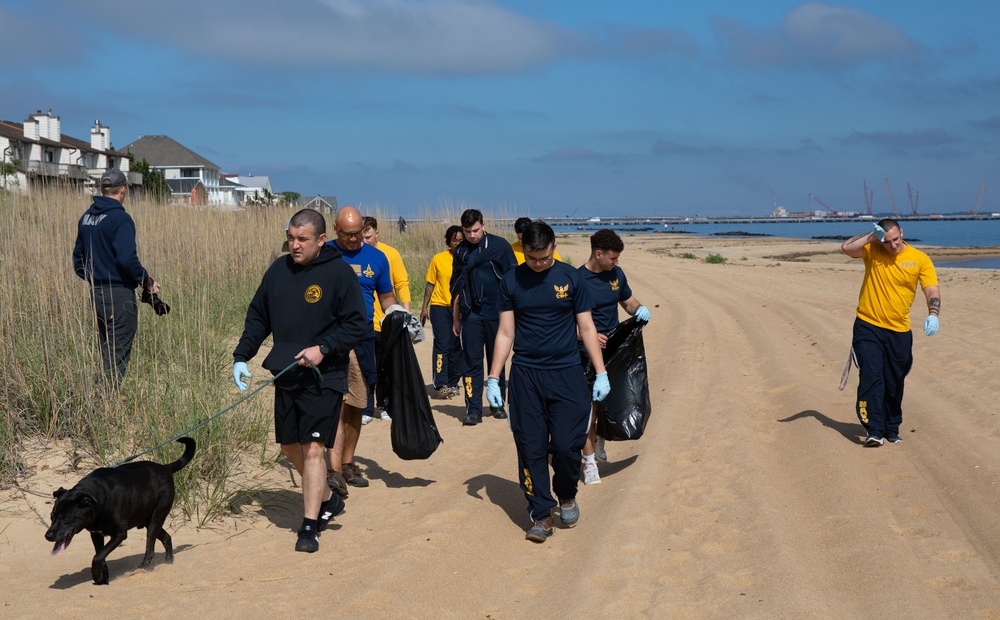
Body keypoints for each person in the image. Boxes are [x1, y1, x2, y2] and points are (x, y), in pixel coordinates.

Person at [232, 208, 367, 552]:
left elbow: (355, 325)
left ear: (321, 239)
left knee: (312, 450)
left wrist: (323, 348)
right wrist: (241, 356)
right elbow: (258, 316)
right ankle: (327, 498)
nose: (294, 245)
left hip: (326, 375)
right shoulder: (278, 271)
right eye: (291, 237)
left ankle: (310, 526)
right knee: (290, 447)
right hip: (286, 373)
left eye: (302, 239)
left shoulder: (338, 273)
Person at [487, 221, 609, 542]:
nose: (538, 264)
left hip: (567, 373)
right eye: (531, 258)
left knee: (569, 446)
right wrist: (493, 378)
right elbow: (505, 332)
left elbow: (586, 327)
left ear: (554, 246)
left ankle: (566, 492)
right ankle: (541, 514)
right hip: (526, 375)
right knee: (531, 447)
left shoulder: (571, 278)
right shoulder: (511, 280)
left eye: (543, 257)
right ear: (523, 249)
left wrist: (601, 372)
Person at [841, 219, 940, 446]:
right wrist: (870, 236)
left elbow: (931, 289)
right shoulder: (872, 249)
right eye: (887, 242)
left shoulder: (919, 259)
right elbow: (847, 248)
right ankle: (874, 429)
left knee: (894, 381)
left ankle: (891, 427)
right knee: (871, 376)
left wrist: (933, 313)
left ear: (902, 233)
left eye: (896, 239)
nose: (893, 245)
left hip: (899, 331)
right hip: (868, 325)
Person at [326, 207, 397, 493]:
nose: (354, 240)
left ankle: (347, 463)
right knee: (335, 403)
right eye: (348, 234)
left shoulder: (377, 258)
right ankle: (331, 469)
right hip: (330, 337)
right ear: (335, 230)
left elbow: (386, 294)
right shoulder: (324, 254)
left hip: (364, 335)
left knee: (356, 402)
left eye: (358, 234)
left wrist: (397, 314)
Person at [72, 169, 161, 384]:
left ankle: (100, 400)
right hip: (119, 295)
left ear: (102, 190)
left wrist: (97, 276)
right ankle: (106, 406)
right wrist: (146, 281)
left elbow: (78, 262)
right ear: (123, 190)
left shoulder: (86, 218)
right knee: (117, 356)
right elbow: (126, 260)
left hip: (97, 295)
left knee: (106, 351)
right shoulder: (121, 219)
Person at [577, 229, 651, 485]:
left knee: (611, 402)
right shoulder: (576, 279)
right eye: (613, 258)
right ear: (598, 254)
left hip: (614, 349)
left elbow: (627, 302)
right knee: (588, 409)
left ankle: (599, 438)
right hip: (584, 352)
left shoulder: (617, 275)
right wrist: (583, 335)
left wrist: (639, 310)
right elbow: (562, 320)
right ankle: (588, 463)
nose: (616, 262)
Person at [450, 208, 517, 425]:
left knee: (497, 360)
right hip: (472, 315)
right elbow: (457, 287)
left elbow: (514, 280)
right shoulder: (460, 252)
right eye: (468, 231)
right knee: (471, 363)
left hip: (498, 314)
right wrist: (456, 318)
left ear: (484, 225)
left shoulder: (500, 246)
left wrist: (516, 313)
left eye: (476, 230)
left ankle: (497, 404)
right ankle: (473, 409)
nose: (472, 235)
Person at [362, 216, 411, 422]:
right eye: (361, 237)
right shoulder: (356, 256)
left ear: (377, 233)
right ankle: (365, 408)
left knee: (386, 366)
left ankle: (384, 405)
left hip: (386, 321)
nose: (365, 241)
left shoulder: (390, 254)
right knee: (366, 366)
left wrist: (405, 314)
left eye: (369, 237)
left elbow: (402, 284)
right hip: (364, 322)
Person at [419, 225, 465, 399]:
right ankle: (440, 383)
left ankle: (453, 382)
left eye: (461, 240)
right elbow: (430, 283)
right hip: (439, 307)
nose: (458, 243)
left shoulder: (468, 259)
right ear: (449, 241)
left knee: (456, 346)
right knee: (443, 344)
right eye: (455, 240)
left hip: (459, 309)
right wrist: (424, 307)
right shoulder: (439, 259)